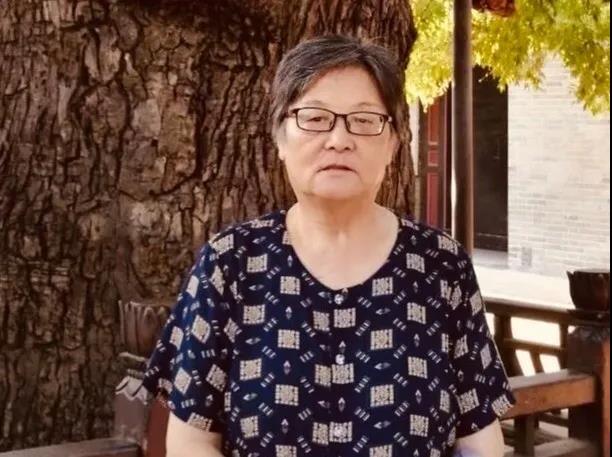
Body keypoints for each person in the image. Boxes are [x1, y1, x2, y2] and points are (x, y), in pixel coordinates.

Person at [141, 35, 515, 457]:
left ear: (393, 143)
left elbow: (479, 438)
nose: (339, 139)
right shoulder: (230, 263)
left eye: (364, 120)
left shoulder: (441, 266)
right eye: (315, 118)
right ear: (280, 138)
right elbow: (191, 440)